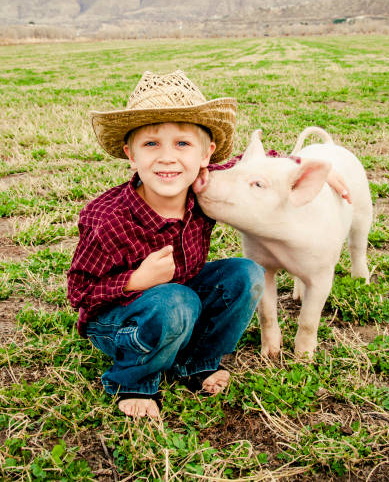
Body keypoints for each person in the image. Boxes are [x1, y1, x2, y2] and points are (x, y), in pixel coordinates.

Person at [67, 70, 350, 419]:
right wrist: (135, 281)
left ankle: (196, 363)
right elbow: (79, 292)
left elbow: (254, 173)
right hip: (120, 322)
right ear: (130, 154)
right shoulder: (107, 217)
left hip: (178, 304)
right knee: (177, 300)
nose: (168, 157)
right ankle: (134, 381)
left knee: (245, 273)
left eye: (183, 144)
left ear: (206, 154)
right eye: (151, 144)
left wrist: (302, 167)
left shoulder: (201, 193)